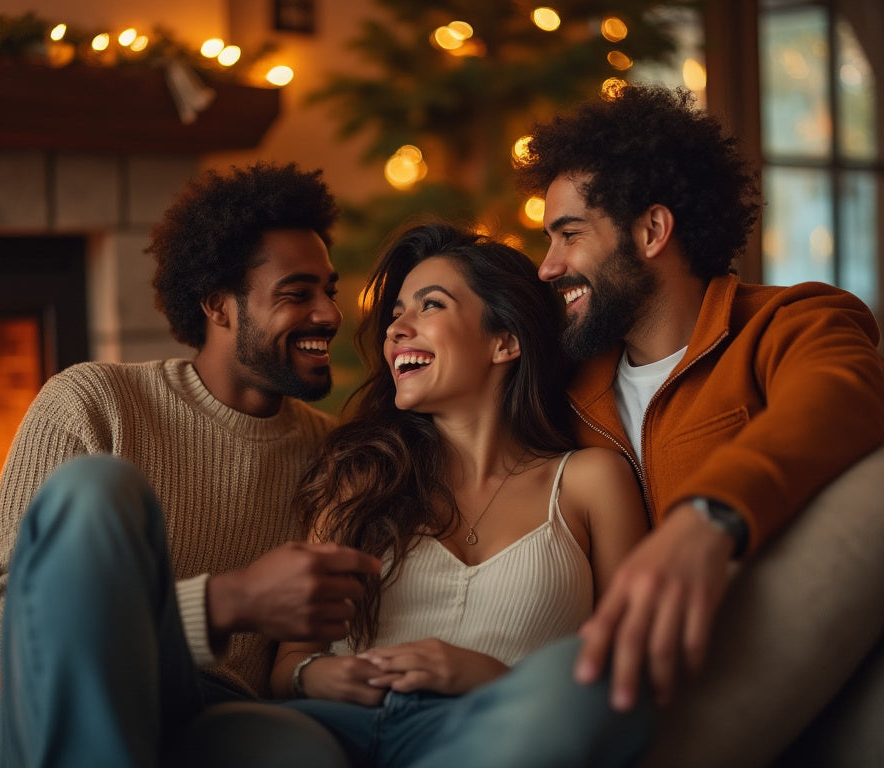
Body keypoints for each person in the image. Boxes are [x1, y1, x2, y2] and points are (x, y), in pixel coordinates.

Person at [0, 161, 381, 768]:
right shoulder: (93, 402)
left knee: (304, 750)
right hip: (55, 705)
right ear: (219, 305)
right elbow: (5, 619)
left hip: (212, 715)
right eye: (297, 294)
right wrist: (222, 605)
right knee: (97, 487)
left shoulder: (330, 453)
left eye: (329, 290)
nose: (328, 314)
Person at [518, 83, 884, 761]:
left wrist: (709, 517)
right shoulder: (563, 388)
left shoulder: (790, 321)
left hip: (778, 651)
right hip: (620, 686)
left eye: (569, 234)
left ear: (653, 231)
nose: (549, 266)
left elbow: (844, 395)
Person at [270, 221, 653, 767]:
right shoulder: (358, 475)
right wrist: (318, 673)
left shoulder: (590, 482)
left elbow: (622, 675)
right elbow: (287, 664)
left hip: (491, 738)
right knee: (235, 731)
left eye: (430, 306)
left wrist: (491, 681)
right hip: (336, 733)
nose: (396, 329)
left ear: (506, 341)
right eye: (396, 312)